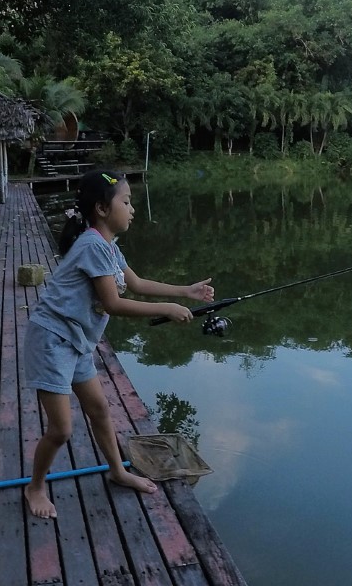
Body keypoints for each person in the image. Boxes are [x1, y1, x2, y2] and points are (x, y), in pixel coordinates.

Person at [23, 169, 213, 519]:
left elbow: (137, 283)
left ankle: (117, 470)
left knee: (99, 409)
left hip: (76, 339)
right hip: (52, 340)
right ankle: (35, 486)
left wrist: (185, 291)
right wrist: (167, 310)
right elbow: (113, 304)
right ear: (102, 208)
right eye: (126, 202)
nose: (132, 209)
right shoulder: (93, 245)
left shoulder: (108, 246)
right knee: (62, 430)